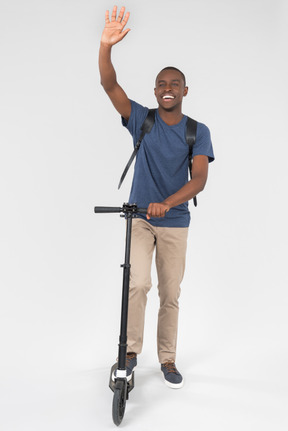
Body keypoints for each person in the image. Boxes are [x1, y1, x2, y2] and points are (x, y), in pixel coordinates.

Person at [99, 6, 214, 389]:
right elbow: (110, 86)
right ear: (155, 91)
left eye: (174, 84)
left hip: (175, 221)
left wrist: (168, 201)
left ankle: (167, 359)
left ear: (185, 91)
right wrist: (105, 47)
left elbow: (198, 179)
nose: (168, 89)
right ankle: (130, 353)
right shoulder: (141, 119)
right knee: (136, 284)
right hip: (140, 218)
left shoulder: (197, 131)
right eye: (161, 84)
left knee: (170, 292)